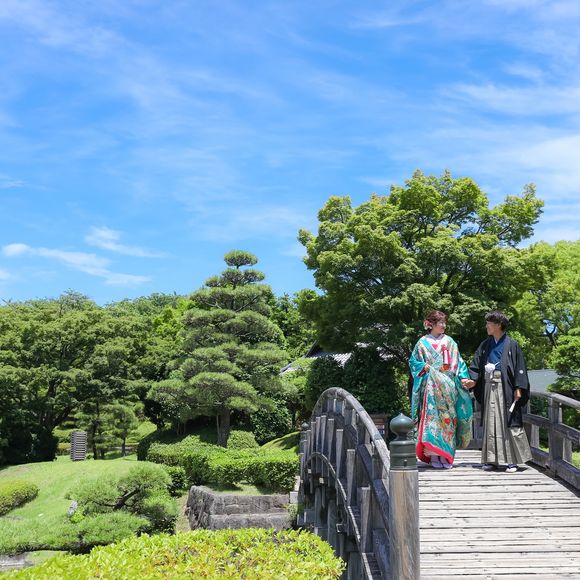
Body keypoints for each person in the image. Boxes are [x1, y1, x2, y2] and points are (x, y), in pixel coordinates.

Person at [465, 310, 532, 473]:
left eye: (489, 323)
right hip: (489, 385)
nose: (486, 326)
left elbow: (520, 367)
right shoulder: (485, 345)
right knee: (491, 421)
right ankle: (491, 460)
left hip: (506, 387)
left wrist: (518, 387)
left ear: (498, 325)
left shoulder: (512, 344)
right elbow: (475, 365)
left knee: (507, 420)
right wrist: (473, 380)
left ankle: (512, 461)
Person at [409, 310, 474, 469]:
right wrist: (424, 366)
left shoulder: (450, 342)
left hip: (448, 386)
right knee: (432, 420)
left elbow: (459, 362)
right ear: (431, 324)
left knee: (448, 420)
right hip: (430, 388)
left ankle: (446, 455)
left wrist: (463, 377)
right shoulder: (422, 343)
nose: (444, 325)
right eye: (441, 323)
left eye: (445, 322)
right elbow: (413, 362)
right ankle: (433, 456)